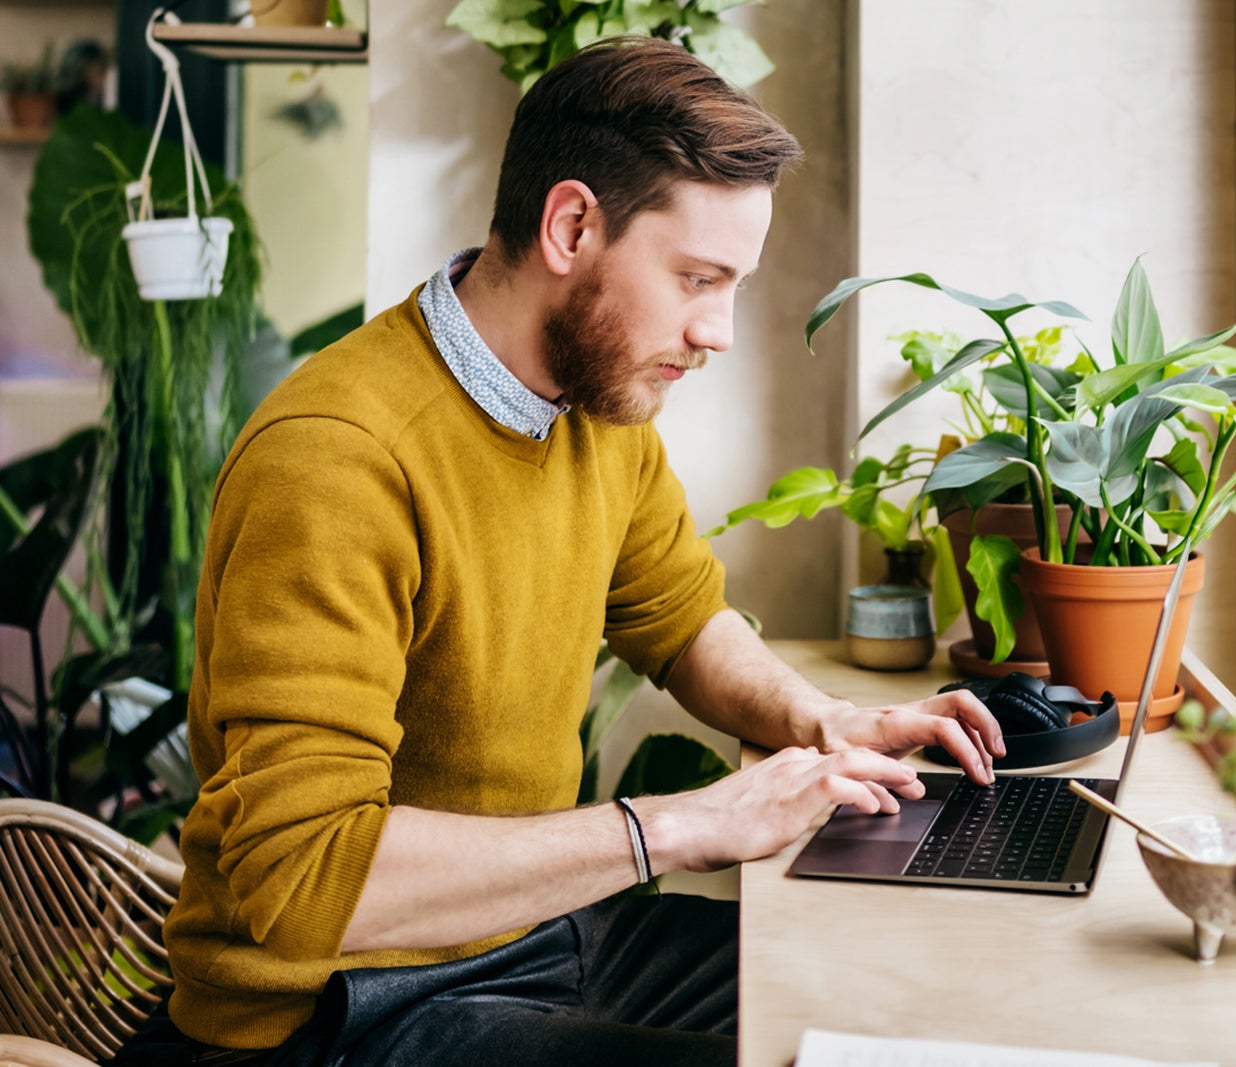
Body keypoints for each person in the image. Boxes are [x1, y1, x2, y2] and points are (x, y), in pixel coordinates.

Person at [118, 36, 1004, 1067]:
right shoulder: (337, 459)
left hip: (529, 943)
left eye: (732, 285)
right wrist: (680, 825)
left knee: (877, 991)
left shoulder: (599, 410)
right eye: (696, 278)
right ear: (572, 225)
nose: (716, 330)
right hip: (328, 1013)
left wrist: (830, 718)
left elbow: (681, 621)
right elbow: (304, 879)